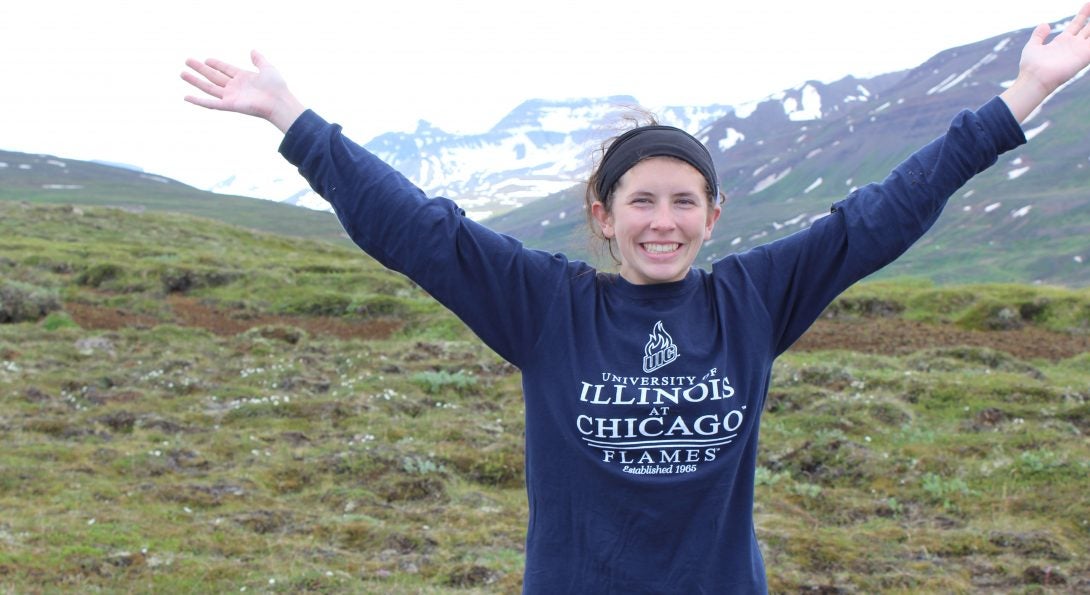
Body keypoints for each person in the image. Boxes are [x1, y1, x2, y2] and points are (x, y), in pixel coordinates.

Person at [182, 7, 1090, 592]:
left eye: (683, 200)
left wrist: (1024, 94)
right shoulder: (546, 307)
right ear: (604, 216)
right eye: (641, 201)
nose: (664, 221)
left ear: (712, 213)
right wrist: (294, 122)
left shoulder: (753, 299)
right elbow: (419, 229)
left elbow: (882, 215)